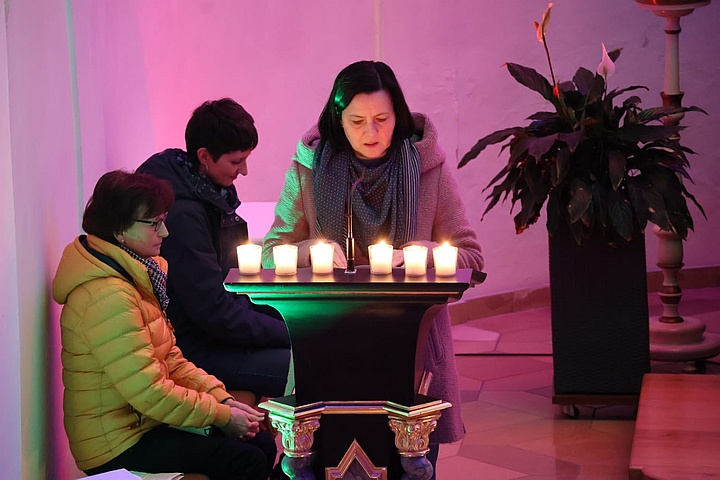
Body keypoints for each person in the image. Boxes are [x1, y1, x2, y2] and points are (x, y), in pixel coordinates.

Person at [262, 60, 484, 479]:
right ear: (338, 119)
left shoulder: (427, 168)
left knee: (411, 466)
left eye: (382, 119)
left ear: (398, 115)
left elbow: (471, 256)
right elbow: (272, 252)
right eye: (357, 121)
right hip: (325, 349)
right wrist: (310, 251)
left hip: (412, 354)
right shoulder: (310, 168)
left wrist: (427, 253)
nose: (371, 132)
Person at [52, 170, 278, 479]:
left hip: (143, 423)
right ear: (120, 229)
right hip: (116, 444)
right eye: (154, 223)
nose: (166, 232)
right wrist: (222, 415)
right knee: (246, 459)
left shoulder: (135, 275)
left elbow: (171, 360)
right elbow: (149, 392)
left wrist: (223, 398)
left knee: (259, 443)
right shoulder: (107, 296)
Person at [136, 98, 292, 405]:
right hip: (194, 348)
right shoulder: (183, 216)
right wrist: (291, 331)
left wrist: (290, 322)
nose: (244, 171)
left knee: (310, 351)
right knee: (311, 363)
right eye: (236, 162)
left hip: (216, 335)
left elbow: (232, 295)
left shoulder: (210, 196)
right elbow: (214, 312)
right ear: (204, 156)